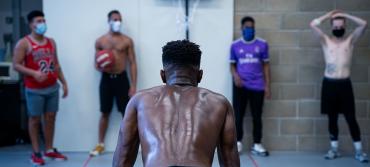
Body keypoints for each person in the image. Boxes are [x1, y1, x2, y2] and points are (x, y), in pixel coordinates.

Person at [113, 40, 240, 167]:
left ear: (162, 75)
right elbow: (231, 162)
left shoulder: (139, 101)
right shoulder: (220, 103)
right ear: (200, 75)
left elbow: (123, 160)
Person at [310, 10, 368, 163]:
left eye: (340, 26)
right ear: (331, 27)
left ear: (345, 26)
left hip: (344, 85)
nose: (337, 29)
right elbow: (312, 24)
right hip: (329, 84)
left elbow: (364, 24)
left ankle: (359, 151)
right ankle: (334, 149)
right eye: (335, 26)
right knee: (332, 118)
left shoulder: (350, 40)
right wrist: (329, 15)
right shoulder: (325, 41)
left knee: (351, 118)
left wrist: (346, 15)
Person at [13, 10, 68, 166]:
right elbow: (16, 65)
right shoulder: (24, 43)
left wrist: (64, 82)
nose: (42, 23)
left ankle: (49, 149)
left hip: (51, 87)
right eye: (38, 21)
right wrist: (33, 73)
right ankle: (36, 152)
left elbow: (56, 64)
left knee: (50, 118)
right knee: (35, 120)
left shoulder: (51, 42)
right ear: (31, 24)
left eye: (43, 20)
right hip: (34, 88)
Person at [90, 10, 138, 156]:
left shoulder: (127, 41)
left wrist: (133, 85)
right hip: (106, 79)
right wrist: (101, 65)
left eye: (119, 19)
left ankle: (128, 143)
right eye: (115, 19)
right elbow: (96, 64)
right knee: (104, 112)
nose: (117, 22)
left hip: (122, 79)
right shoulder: (100, 41)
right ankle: (100, 144)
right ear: (109, 21)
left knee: (127, 113)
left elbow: (132, 63)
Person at [229, 16, 271, 156]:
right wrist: (236, 76)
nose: (249, 30)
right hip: (240, 86)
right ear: (241, 28)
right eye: (247, 27)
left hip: (258, 86)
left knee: (257, 116)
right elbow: (232, 65)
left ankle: (257, 144)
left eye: (252, 27)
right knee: (238, 116)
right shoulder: (235, 45)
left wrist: (267, 86)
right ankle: (238, 143)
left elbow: (266, 66)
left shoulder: (262, 44)